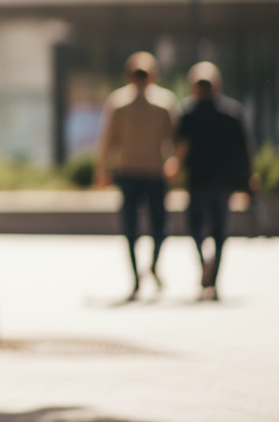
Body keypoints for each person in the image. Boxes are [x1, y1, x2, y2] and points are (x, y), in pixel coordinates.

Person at [94, 51, 181, 300]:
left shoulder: (162, 102)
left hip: (147, 172)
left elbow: (174, 139)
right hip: (135, 172)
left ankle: (148, 267)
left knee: (151, 226)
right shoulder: (123, 103)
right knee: (139, 227)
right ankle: (139, 274)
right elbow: (108, 139)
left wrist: (174, 162)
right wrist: (102, 170)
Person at [170, 62, 257, 301]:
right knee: (219, 229)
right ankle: (213, 275)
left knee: (195, 227)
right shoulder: (232, 113)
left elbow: (181, 148)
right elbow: (243, 151)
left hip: (198, 179)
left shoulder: (188, 113)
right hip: (222, 181)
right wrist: (248, 179)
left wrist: (174, 169)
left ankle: (205, 263)